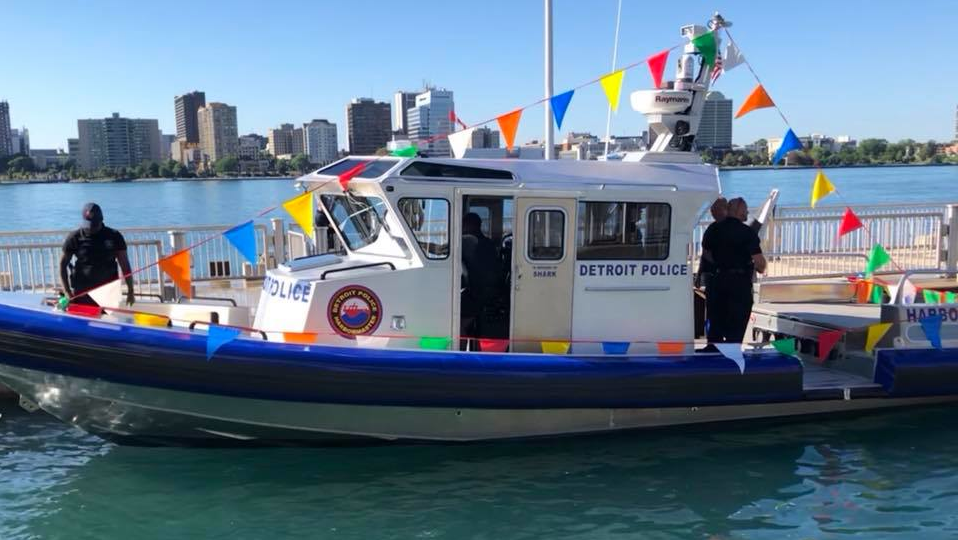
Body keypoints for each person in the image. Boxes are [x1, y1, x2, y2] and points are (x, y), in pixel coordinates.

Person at [700, 197, 767, 348]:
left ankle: (712, 355)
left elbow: (706, 254)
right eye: (746, 210)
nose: (748, 213)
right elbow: (759, 261)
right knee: (736, 327)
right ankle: (731, 357)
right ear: (739, 211)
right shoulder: (747, 232)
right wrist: (759, 268)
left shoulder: (713, 229)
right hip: (739, 284)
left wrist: (719, 264)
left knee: (715, 322)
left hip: (717, 281)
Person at [60, 203, 135, 306]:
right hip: (83, 292)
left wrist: (131, 290)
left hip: (109, 291)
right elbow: (62, 265)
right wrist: (67, 291)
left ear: (101, 220)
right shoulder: (75, 237)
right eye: (88, 225)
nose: (91, 228)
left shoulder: (114, 236)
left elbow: (125, 265)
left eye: (94, 225)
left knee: (108, 321)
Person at [461, 212, 502, 339]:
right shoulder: (488, 244)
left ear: (470, 225)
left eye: (463, 225)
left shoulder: (469, 242)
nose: (461, 228)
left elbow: (445, 251)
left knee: (453, 316)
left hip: (478, 294)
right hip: (488, 290)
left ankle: (458, 351)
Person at [696, 197, 728, 290]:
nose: (712, 211)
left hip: (725, 276)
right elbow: (705, 254)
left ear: (726, 209)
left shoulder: (734, 228)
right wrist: (698, 275)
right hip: (712, 276)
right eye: (712, 209)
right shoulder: (711, 229)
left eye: (716, 208)